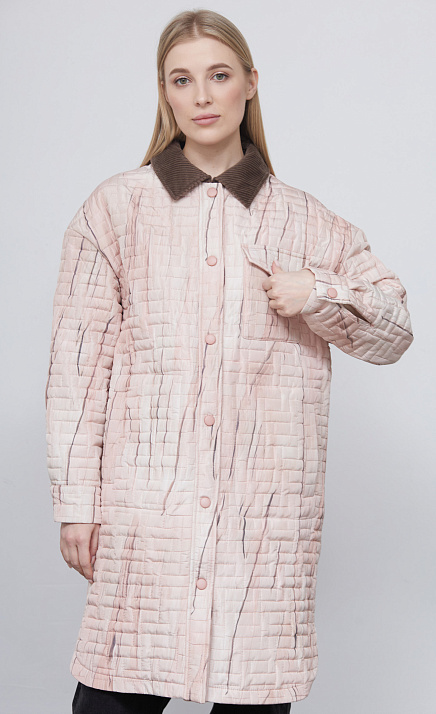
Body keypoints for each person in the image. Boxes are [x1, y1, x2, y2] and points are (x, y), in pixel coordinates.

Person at [45, 9, 413, 714]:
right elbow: (77, 369)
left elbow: (395, 333)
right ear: (165, 92)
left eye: (218, 75)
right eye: (182, 80)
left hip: (262, 535)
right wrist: (77, 506)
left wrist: (319, 291)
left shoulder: (306, 221)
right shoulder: (114, 211)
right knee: (111, 699)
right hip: (147, 518)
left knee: (254, 699)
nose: (203, 96)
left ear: (250, 82)